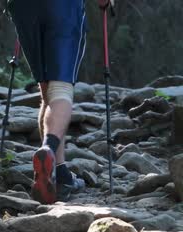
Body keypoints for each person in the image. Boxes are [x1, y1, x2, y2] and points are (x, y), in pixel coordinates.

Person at [7, 0, 113, 203]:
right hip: (63, 8)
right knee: (61, 88)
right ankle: (48, 148)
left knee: (47, 89)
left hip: (23, 8)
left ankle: (59, 173)